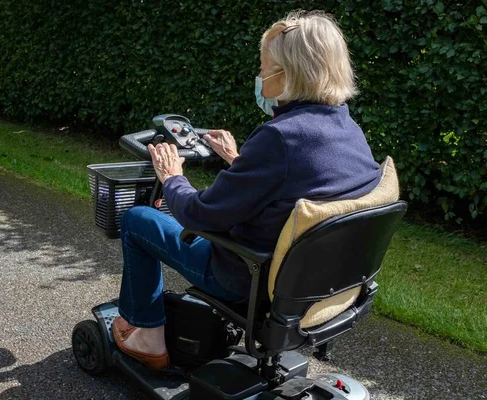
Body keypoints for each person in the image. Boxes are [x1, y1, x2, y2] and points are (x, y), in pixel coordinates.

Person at [111, 10, 382, 371]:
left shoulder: (277, 137)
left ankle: (147, 336)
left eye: (264, 66)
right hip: (318, 287)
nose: (259, 76)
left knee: (137, 219)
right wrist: (239, 160)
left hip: (248, 278)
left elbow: (200, 214)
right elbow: (299, 187)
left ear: (287, 74)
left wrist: (173, 176)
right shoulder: (349, 129)